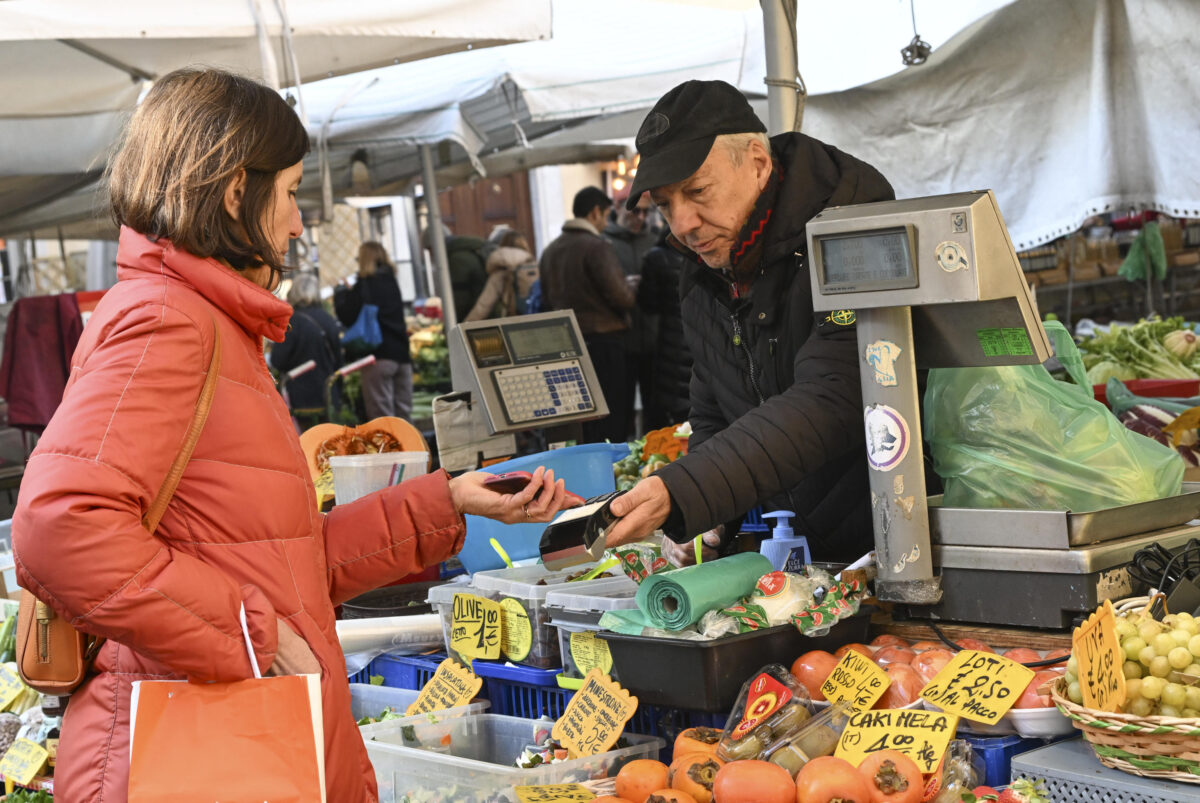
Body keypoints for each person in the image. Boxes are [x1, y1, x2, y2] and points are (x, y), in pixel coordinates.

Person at [10, 67, 577, 803]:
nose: (299, 221)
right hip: (187, 751)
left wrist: (447, 501)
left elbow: (283, 562)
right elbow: (59, 528)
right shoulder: (167, 322)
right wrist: (255, 634)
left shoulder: (212, 327)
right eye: (289, 193)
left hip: (234, 741)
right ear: (234, 192)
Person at [605, 79, 895, 565]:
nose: (681, 224)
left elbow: (837, 393)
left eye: (697, 191)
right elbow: (713, 403)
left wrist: (690, 489)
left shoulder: (854, 228)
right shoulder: (705, 268)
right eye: (664, 205)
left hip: (898, 538)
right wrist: (713, 512)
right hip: (807, 561)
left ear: (758, 163)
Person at [540, 186, 636, 443]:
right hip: (604, 345)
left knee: (583, 423)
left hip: (567, 346)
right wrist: (632, 286)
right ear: (595, 212)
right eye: (605, 216)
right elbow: (622, 297)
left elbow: (547, 299)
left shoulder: (550, 251)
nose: (606, 223)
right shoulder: (596, 247)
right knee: (610, 421)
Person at [337, 242, 415, 421]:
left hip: (378, 357)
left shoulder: (366, 284)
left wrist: (342, 292)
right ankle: (411, 447)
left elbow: (347, 315)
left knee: (382, 418)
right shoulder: (391, 280)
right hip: (402, 356)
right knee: (404, 416)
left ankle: (391, 450)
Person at [604, 193, 661, 436]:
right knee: (620, 411)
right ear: (618, 207)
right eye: (635, 210)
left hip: (654, 338)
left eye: (646, 212)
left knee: (655, 410)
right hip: (621, 340)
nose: (641, 217)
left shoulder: (654, 240)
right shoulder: (604, 243)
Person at [636, 226, 694, 429]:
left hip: (670, 343)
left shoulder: (657, 258)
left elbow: (648, 304)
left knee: (671, 412)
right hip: (699, 338)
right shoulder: (704, 254)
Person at [270, 271, 343, 428]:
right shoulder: (328, 319)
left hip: (300, 397)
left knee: (306, 442)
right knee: (328, 441)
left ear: (294, 292)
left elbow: (277, 360)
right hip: (327, 393)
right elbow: (338, 359)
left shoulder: (291, 322)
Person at [463, 229, 539, 321]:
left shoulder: (501, 273)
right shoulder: (537, 267)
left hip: (514, 322)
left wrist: (465, 325)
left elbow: (483, 306)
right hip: (539, 319)